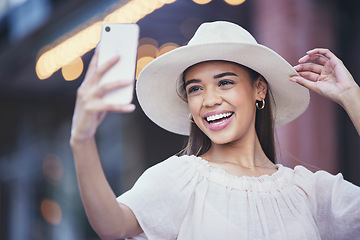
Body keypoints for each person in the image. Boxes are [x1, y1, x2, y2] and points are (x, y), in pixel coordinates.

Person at [70, 21, 360, 240]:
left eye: (225, 82)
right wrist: (82, 141)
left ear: (259, 89)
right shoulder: (181, 179)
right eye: (195, 88)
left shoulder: (308, 192)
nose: (209, 100)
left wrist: (351, 95)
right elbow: (111, 224)